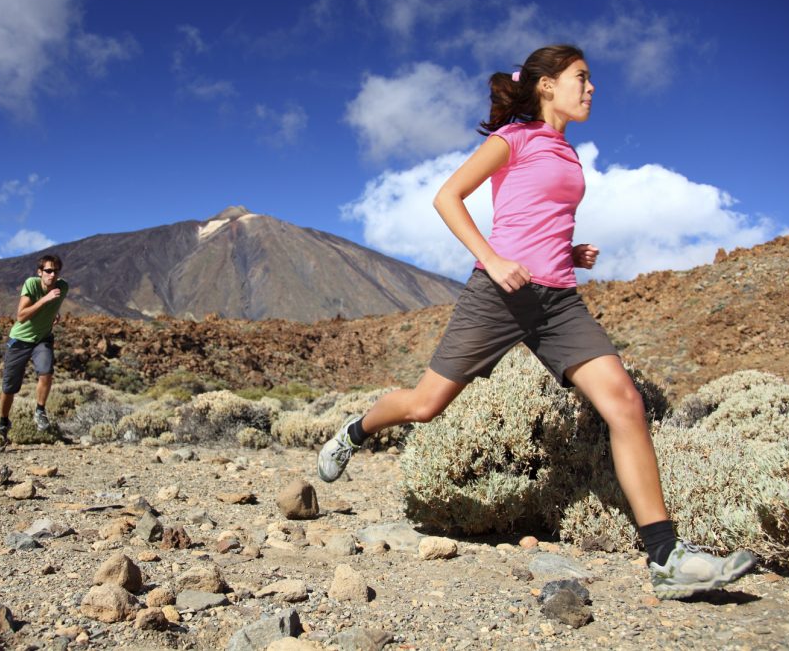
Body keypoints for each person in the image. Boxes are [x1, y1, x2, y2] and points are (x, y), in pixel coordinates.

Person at [317, 44, 755, 600]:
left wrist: (566, 253)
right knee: (426, 406)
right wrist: (494, 260)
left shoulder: (569, 154)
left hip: (558, 304)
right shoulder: (513, 139)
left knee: (624, 402)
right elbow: (447, 197)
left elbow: (535, 216)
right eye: (581, 77)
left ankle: (665, 556)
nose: (591, 87)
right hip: (498, 295)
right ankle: (354, 431)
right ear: (546, 85)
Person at [0, 254, 68, 443]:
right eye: (48, 271)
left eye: (55, 271)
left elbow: (54, 306)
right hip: (19, 340)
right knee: (9, 387)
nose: (52, 275)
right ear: (40, 272)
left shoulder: (63, 287)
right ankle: (3, 422)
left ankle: (40, 411)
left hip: (42, 339)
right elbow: (21, 316)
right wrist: (45, 300)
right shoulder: (31, 284)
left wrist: (55, 313)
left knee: (46, 371)